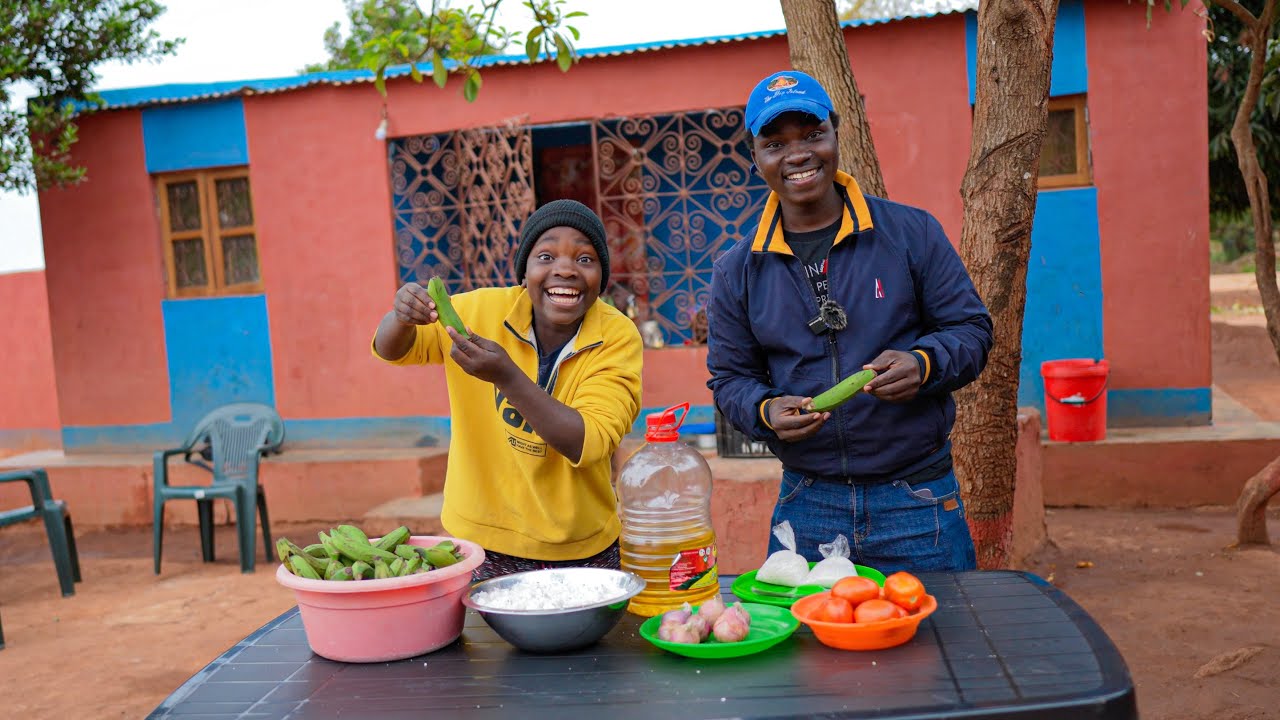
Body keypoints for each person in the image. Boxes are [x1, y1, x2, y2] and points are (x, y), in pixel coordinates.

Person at [706, 70, 993, 574]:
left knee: (944, 626)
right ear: (756, 157)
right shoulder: (738, 270)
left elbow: (971, 330)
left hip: (916, 497)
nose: (797, 155)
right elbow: (730, 378)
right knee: (804, 630)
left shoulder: (911, 233)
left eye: (812, 135)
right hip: (807, 502)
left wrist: (924, 363)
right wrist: (765, 410)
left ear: (836, 135)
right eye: (775, 144)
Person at [372, 199, 643, 581]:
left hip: (580, 545)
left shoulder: (616, 336)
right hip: (481, 540)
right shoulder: (480, 311)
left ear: (602, 277)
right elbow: (394, 350)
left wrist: (507, 377)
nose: (565, 269)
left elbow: (589, 442)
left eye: (585, 259)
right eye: (546, 256)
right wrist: (400, 318)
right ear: (524, 272)